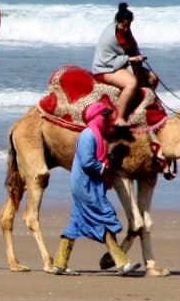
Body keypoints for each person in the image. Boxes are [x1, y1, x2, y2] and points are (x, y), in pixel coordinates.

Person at [52, 102, 141, 276]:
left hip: (87, 185)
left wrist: (108, 158)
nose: (107, 119)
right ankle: (122, 263)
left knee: (76, 222)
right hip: (85, 186)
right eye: (105, 116)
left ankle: (59, 264)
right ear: (96, 117)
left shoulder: (96, 135)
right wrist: (105, 165)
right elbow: (87, 161)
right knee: (104, 217)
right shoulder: (88, 135)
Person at [92, 1, 157, 127]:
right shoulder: (109, 37)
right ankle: (120, 118)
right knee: (131, 83)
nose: (126, 29)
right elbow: (107, 60)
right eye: (124, 26)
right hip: (106, 68)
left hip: (123, 64)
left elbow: (132, 48)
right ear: (117, 22)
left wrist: (138, 58)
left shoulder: (126, 32)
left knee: (153, 79)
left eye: (128, 26)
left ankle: (142, 108)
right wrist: (130, 59)